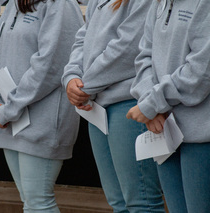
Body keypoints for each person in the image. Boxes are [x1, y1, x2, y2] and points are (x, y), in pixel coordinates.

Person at [62, 0, 166, 212]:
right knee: (117, 202)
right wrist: (72, 76)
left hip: (129, 104)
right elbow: (82, 37)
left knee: (141, 202)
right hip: (96, 106)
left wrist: (86, 85)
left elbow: (128, 47)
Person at [0, 0, 83, 212]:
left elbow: (50, 67)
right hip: (8, 119)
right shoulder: (13, 4)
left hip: (42, 121)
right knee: (30, 201)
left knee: (38, 202)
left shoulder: (61, 6)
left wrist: (8, 109)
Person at [126, 0, 210, 212]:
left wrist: (152, 103)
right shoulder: (158, 2)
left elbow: (200, 73)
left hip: (201, 137)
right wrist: (150, 103)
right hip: (165, 131)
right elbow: (144, 55)